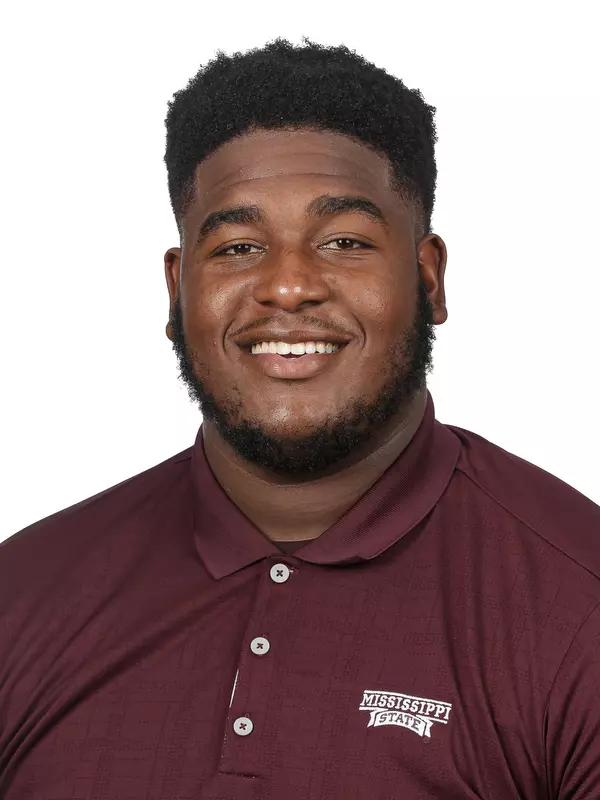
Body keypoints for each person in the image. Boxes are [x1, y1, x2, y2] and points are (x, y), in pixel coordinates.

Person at [1, 37, 599, 800]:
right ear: (177, 290)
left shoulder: (580, 603)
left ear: (428, 278)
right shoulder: (22, 591)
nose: (288, 287)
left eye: (345, 241)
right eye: (240, 245)